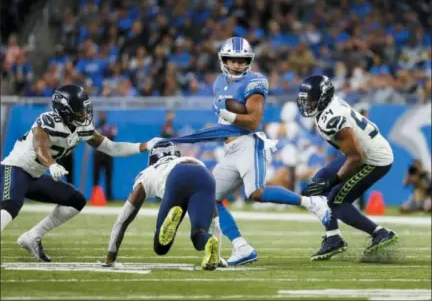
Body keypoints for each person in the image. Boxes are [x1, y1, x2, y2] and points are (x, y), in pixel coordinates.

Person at [198, 37, 332, 265]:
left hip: (248, 142)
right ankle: (241, 247)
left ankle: (311, 203)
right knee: (211, 199)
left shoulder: (255, 82)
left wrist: (227, 113)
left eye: (242, 61)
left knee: (257, 193)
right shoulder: (220, 82)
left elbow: (252, 121)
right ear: (224, 60)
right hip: (230, 147)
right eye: (233, 60)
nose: (238, 65)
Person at [0, 84, 146, 262]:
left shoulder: (82, 128)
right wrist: (52, 164)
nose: (85, 113)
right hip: (15, 168)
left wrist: (143, 146)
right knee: (11, 205)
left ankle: (32, 236)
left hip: (35, 176)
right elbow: (40, 147)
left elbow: (112, 147)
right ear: (65, 111)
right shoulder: (47, 121)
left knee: (76, 200)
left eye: (85, 108)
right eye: (80, 109)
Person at [297, 75, 399, 261]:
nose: (308, 105)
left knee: (336, 201)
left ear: (324, 98)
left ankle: (380, 233)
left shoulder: (332, 119)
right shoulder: (330, 106)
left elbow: (355, 157)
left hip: (373, 159)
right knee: (319, 180)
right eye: (306, 100)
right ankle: (333, 237)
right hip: (361, 151)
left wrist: (333, 181)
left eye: (312, 100)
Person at [103, 142, 220, 270]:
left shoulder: (148, 173)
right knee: (198, 235)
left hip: (176, 176)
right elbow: (215, 218)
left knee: (160, 247)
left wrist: (111, 257)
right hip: (204, 174)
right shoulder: (187, 160)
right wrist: (218, 256)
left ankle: (170, 220)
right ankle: (208, 241)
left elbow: (123, 220)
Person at [93, 111, 117, 201]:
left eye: (104, 114)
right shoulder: (96, 127)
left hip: (108, 154)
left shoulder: (109, 126)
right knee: (96, 177)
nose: (102, 116)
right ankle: (94, 195)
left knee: (108, 176)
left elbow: (112, 137)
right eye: (101, 114)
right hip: (98, 154)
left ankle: (109, 195)